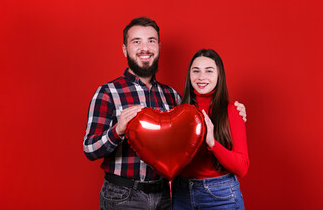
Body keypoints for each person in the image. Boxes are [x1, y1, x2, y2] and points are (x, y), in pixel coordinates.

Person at [83, 17, 247, 210]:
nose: (145, 48)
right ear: (125, 49)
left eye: (151, 41)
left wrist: (234, 112)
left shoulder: (172, 97)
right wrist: (117, 130)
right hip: (124, 196)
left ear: (159, 47)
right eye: (136, 41)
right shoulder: (108, 93)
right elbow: (90, 149)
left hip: (165, 196)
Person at [172, 49, 249, 210]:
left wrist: (212, 142)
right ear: (189, 75)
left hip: (221, 196)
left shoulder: (232, 111)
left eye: (209, 71)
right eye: (196, 71)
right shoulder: (179, 111)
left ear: (219, 75)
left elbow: (242, 168)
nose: (201, 77)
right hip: (182, 194)